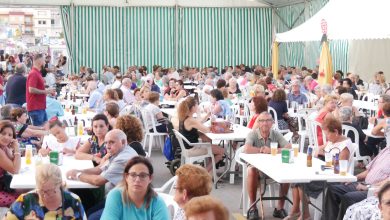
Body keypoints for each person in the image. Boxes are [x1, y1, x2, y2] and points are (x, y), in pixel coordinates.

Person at [285, 116, 354, 220]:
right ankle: (298, 211)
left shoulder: (345, 146)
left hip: (335, 178)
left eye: (327, 134)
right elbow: (319, 149)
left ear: (335, 131)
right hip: (326, 172)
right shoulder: (333, 141)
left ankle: (304, 214)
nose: (326, 137)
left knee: (300, 182)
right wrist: (319, 151)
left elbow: (338, 168)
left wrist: (326, 159)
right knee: (297, 179)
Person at [68, 129, 138, 213]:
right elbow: (99, 169)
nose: (108, 146)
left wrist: (77, 175)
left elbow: (98, 181)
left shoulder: (122, 159)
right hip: (114, 195)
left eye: (112, 142)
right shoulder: (119, 151)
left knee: (90, 215)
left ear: (123, 142)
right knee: (78, 194)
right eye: (106, 142)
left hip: (122, 202)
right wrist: (78, 171)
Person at [244, 112, 291, 219]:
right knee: (251, 170)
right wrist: (261, 150)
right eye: (262, 121)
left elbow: (288, 147)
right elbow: (247, 149)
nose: (265, 123)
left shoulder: (275, 134)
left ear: (272, 123)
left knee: (287, 171)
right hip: (257, 170)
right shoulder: (253, 134)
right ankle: (253, 208)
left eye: (268, 120)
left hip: (273, 168)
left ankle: (279, 208)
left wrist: (271, 150)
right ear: (258, 123)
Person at [5, 163, 86, 219]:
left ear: (60, 184)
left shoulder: (73, 201)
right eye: (41, 191)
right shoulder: (25, 200)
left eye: (51, 191)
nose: (45, 196)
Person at [100, 156, 169, 220]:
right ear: (126, 177)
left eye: (143, 175)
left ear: (150, 178)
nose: (137, 180)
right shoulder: (115, 195)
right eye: (133, 175)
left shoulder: (157, 203)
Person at [177, 96, 225, 171]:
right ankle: (205, 171)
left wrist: (207, 115)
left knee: (208, 141)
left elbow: (198, 123)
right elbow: (206, 130)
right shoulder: (191, 120)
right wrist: (213, 124)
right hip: (193, 149)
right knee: (221, 151)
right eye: (197, 105)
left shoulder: (184, 117)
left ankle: (210, 173)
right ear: (193, 108)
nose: (198, 107)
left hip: (188, 147)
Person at [26, 54, 56, 126]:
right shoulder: (34, 73)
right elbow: (31, 89)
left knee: (44, 129)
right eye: (44, 60)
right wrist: (47, 91)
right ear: (40, 61)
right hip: (36, 107)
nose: (45, 62)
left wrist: (47, 90)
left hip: (39, 106)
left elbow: (35, 88)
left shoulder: (36, 72)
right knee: (40, 131)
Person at [0, 121, 21, 207]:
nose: (6, 137)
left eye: (10, 135)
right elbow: (15, 170)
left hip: (3, 185)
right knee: (23, 198)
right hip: (2, 188)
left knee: (27, 191)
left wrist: (14, 148)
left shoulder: (4, 148)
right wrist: (17, 149)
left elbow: (15, 163)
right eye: (3, 133)